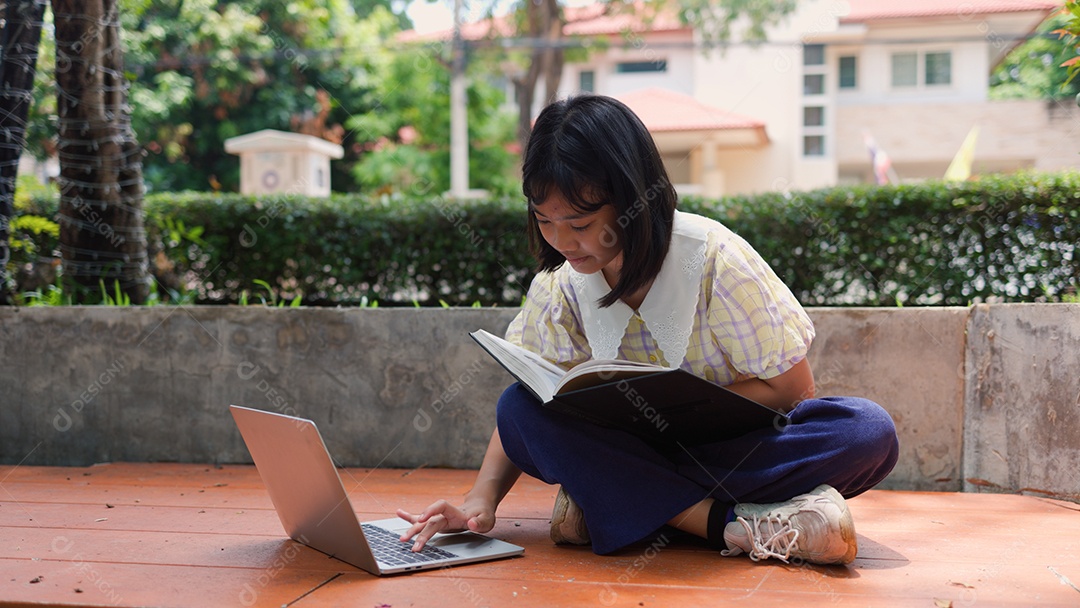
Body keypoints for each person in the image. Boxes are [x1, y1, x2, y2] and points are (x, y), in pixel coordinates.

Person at [397, 94, 899, 565]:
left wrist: (675, 410)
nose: (563, 241)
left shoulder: (715, 260)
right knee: (519, 408)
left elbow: (794, 390)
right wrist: (478, 501)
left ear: (632, 199)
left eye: (580, 222)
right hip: (628, 447)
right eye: (545, 221)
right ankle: (730, 525)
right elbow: (533, 396)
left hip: (724, 447)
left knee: (865, 432)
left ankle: (612, 497)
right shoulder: (560, 285)